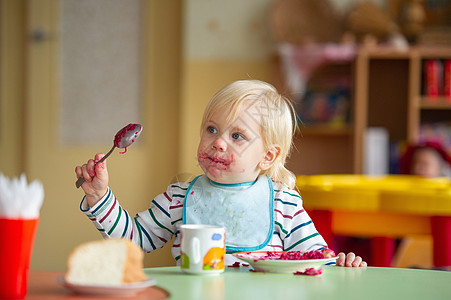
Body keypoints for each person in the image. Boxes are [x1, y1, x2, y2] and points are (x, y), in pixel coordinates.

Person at [75, 79, 366, 267]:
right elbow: (134, 239)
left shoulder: (282, 203)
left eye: (237, 136)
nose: (218, 142)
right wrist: (100, 197)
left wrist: (342, 263)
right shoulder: (179, 198)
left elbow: (315, 258)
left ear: (268, 156)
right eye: (211, 129)